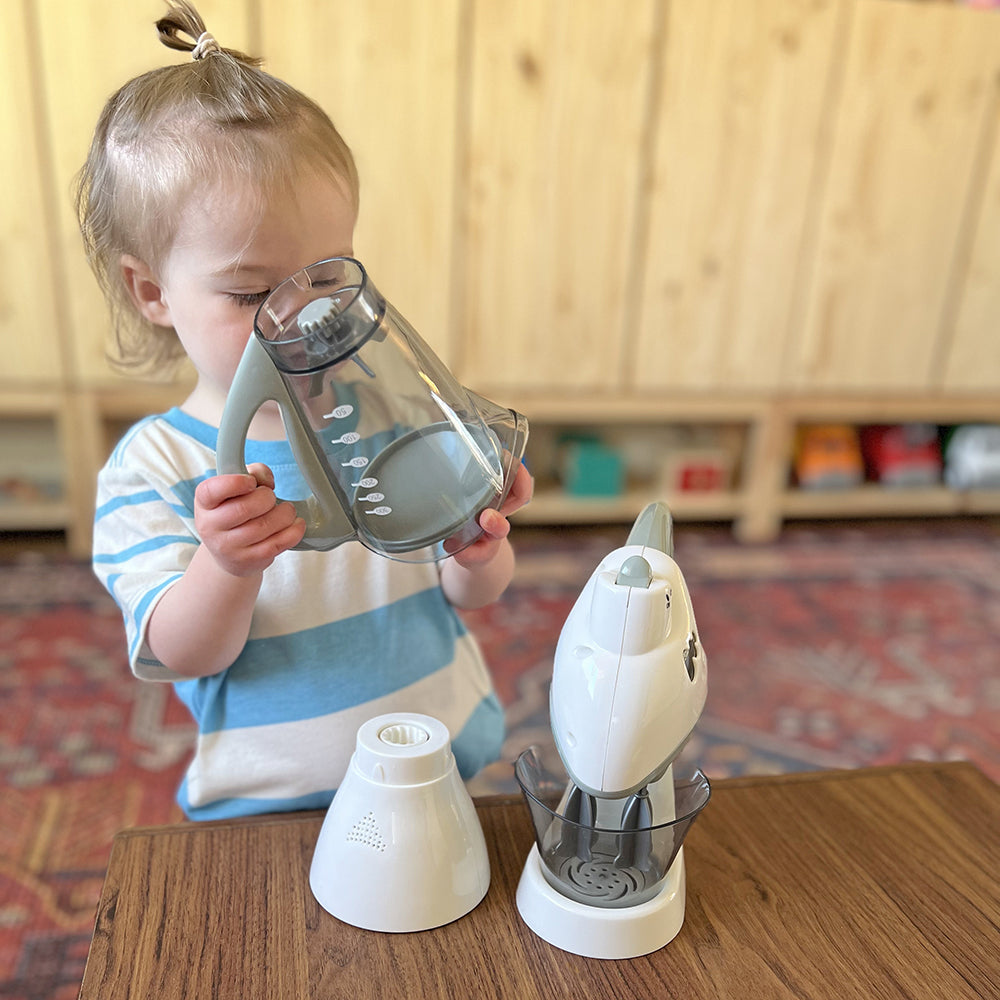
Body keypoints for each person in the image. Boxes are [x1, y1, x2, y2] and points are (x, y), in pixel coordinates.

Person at [79, 0, 532, 820]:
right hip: (270, 815)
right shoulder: (154, 468)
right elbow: (183, 652)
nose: (301, 316)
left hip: (440, 775)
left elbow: (478, 594)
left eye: (329, 275)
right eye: (253, 291)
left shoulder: (388, 409)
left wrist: (474, 542)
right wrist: (225, 566)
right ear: (152, 292)